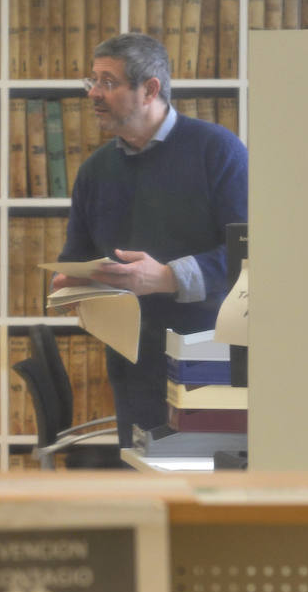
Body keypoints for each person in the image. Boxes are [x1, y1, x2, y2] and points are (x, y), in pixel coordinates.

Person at [52, 33, 248, 452]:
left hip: (210, 357)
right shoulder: (95, 170)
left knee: (205, 488)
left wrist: (167, 277)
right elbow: (77, 254)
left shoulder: (218, 150)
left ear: (150, 89)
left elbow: (251, 253)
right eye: (93, 81)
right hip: (132, 365)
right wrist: (73, 285)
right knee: (143, 479)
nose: (94, 95)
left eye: (108, 82)